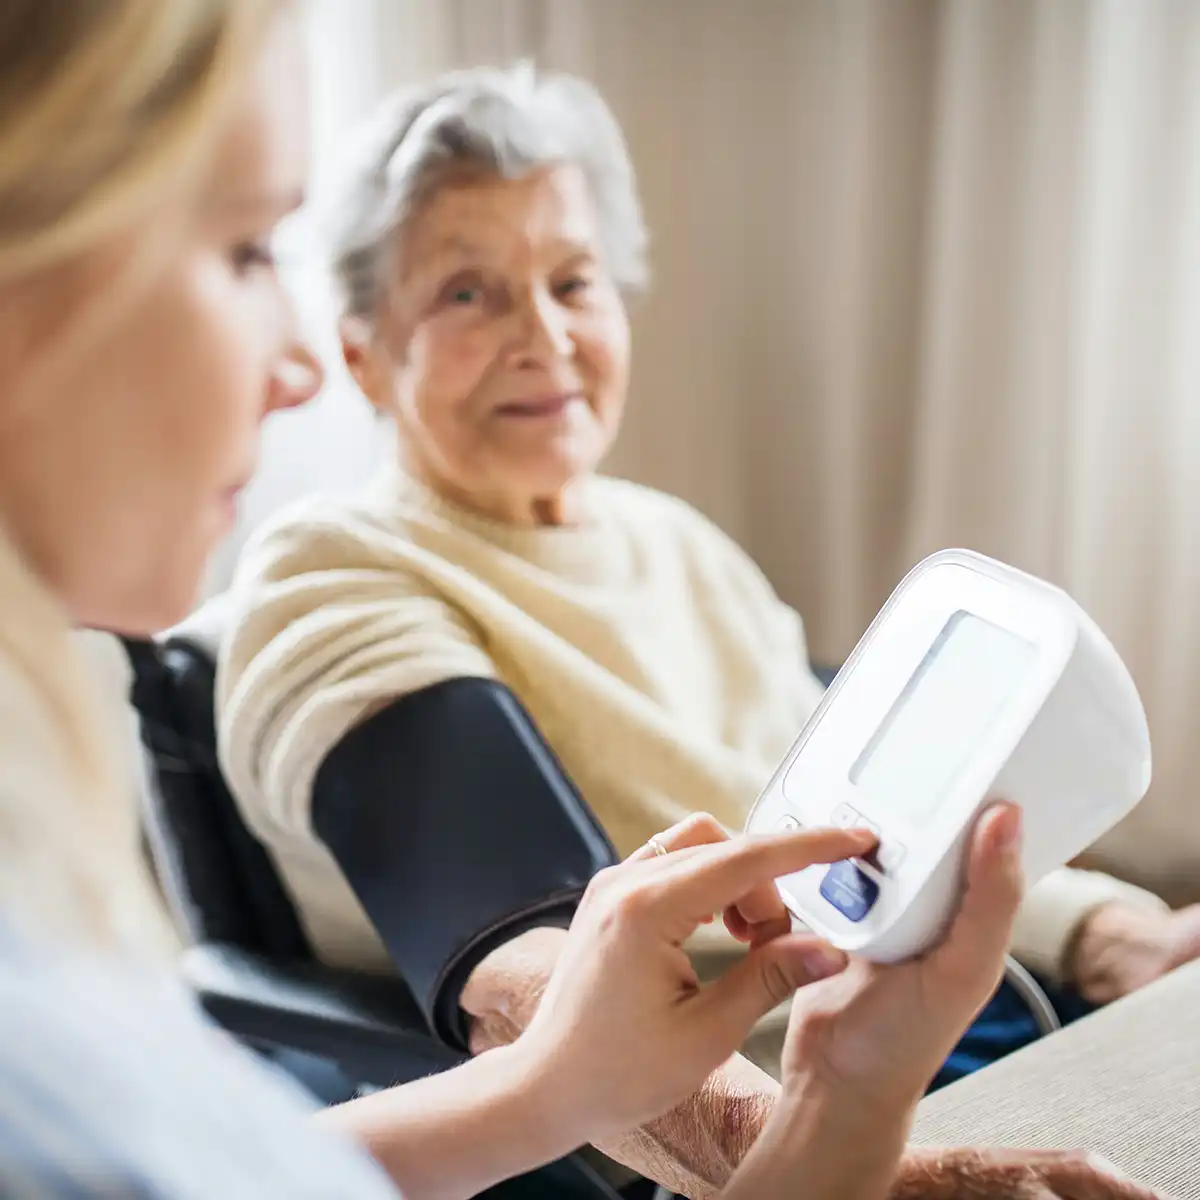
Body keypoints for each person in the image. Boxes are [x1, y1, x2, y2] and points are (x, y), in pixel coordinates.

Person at [0, 3, 1157, 1198]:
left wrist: (1117, 934)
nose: (541, 335)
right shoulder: (334, 569)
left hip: (897, 1050)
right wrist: (889, 1170)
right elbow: (532, 971)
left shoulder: (680, 545)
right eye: (466, 293)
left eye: (572, 281)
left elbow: (877, 824)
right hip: (732, 1134)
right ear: (365, 355)